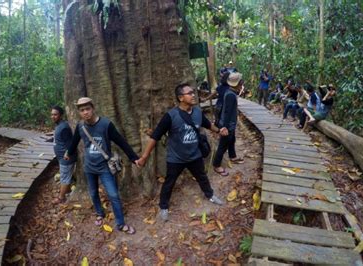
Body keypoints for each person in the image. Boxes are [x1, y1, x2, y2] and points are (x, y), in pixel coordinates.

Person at [136, 83, 227, 221]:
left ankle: (210, 195)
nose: (193, 95)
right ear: (180, 98)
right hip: (175, 158)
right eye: (189, 93)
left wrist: (219, 130)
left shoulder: (197, 112)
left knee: (202, 176)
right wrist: (144, 157)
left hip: (194, 155)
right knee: (169, 182)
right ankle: (164, 207)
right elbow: (155, 136)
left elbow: (208, 125)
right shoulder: (170, 116)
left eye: (193, 92)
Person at [64, 97, 138, 234]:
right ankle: (100, 213)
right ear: (79, 113)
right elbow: (74, 141)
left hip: (105, 167)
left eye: (87, 109)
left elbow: (121, 141)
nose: (85, 112)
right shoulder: (81, 126)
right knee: (93, 192)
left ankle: (120, 223)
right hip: (89, 167)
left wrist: (134, 158)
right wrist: (68, 152)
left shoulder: (106, 124)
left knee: (113, 195)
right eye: (82, 110)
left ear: (93, 108)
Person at [212, 72, 244, 176]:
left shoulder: (231, 91)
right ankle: (216, 165)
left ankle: (233, 156)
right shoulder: (230, 95)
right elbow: (227, 112)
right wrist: (224, 127)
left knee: (232, 140)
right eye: (241, 82)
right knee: (223, 144)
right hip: (227, 124)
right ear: (238, 83)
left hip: (230, 124)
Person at [51, 105, 76, 204]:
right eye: (52, 114)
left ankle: (61, 198)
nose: (53, 116)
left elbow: (70, 143)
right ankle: (68, 191)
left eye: (55, 115)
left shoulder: (64, 127)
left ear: (60, 115)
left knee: (64, 178)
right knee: (65, 176)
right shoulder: (58, 125)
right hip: (61, 157)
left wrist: (67, 154)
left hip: (66, 158)